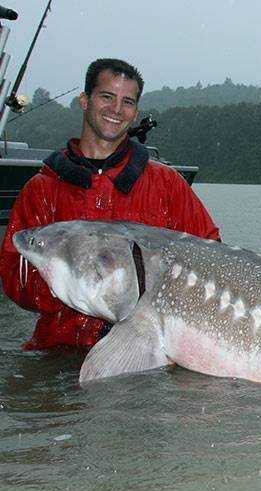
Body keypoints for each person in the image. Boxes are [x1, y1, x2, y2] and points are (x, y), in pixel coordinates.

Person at [0, 58, 219, 350]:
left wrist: (153, 293)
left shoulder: (167, 183)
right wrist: (74, 285)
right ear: (84, 100)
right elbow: (14, 275)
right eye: (106, 96)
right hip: (59, 347)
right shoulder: (42, 189)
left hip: (144, 348)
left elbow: (212, 256)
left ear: (135, 112)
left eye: (127, 101)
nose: (116, 109)